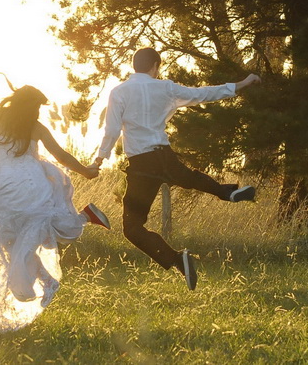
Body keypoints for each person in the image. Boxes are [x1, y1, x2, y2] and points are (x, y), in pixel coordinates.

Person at [84, 48, 260, 291]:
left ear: (134, 66)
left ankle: (177, 259)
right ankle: (226, 192)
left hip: (142, 164)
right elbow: (203, 94)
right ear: (155, 66)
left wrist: (99, 159)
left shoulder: (120, 91)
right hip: (164, 156)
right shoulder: (165, 87)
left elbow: (112, 130)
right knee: (189, 177)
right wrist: (241, 84)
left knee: (133, 228)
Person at [0, 83, 110, 333]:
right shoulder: (34, 127)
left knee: (14, 242)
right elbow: (62, 156)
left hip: (5, 191)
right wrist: (87, 172)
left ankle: (48, 280)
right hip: (33, 186)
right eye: (36, 107)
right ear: (30, 106)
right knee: (39, 231)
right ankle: (83, 219)